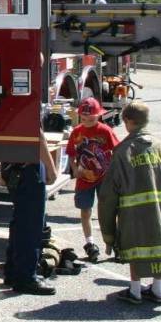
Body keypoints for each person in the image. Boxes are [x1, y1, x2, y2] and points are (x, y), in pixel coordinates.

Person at [98, 101, 161, 304]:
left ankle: (135, 291)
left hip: (134, 213)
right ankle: (157, 289)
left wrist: (108, 234)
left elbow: (108, 195)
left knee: (135, 246)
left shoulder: (123, 151)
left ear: (127, 121)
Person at [4, 128, 59, 294]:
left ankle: (13, 272)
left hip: (12, 165)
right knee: (31, 225)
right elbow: (37, 134)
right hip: (28, 168)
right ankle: (26, 278)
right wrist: (51, 168)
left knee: (20, 222)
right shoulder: (27, 102)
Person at [66, 96, 120, 261]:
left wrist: (115, 171)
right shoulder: (77, 132)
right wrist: (75, 169)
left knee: (108, 211)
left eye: (91, 118)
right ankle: (90, 243)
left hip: (104, 178)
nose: (87, 121)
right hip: (84, 179)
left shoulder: (105, 130)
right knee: (85, 211)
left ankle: (115, 243)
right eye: (83, 118)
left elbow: (117, 149)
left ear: (99, 115)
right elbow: (71, 153)